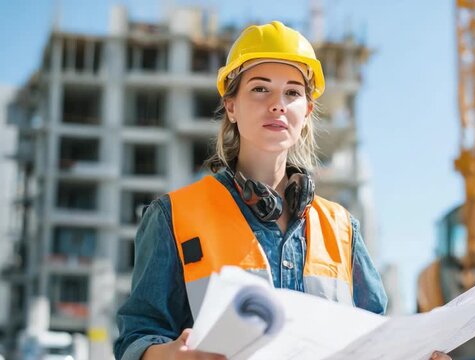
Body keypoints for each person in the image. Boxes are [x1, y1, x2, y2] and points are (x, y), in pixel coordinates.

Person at [114, 21, 449, 360]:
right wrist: (170, 355)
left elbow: (374, 342)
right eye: (260, 89)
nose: (278, 104)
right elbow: (137, 338)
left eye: (292, 93)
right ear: (231, 106)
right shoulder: (174, 217)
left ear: (307, 111)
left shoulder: (342, 229)